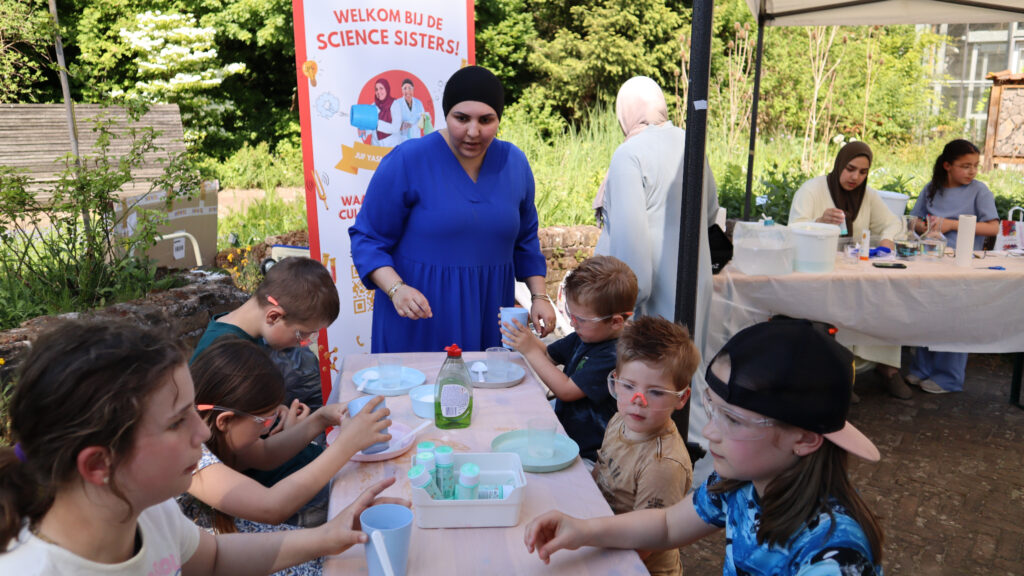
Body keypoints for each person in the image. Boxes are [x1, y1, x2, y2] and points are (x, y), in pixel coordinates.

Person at [0, 318, 407, 575]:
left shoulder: (148, 512)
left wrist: (330, 536)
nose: (203, 434)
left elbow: (212, 559)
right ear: (97, 465)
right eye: (178, 422)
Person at [524, 318, 885, 575]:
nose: (709, 431)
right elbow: (666, 525)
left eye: (734, 420)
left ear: (805, 438)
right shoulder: (741, 484)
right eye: (713, 409)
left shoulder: (833, 556)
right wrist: (583, 530)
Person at [350, 65, 555, 353]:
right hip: (420, 319)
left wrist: (539, 297)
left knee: (485, 394)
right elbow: (368, 238)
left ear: (499, 118)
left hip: (489, 314)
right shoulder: (408, 160)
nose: (473, 131)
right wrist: (396, 289)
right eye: (461, 118)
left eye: (486, 119)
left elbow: (526, 241)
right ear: (446, 115)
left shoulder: (515, 163)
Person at [592, 75, 720, 484]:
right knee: (688, 376)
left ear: (623, 114)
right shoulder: (692, 143)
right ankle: (697, 467)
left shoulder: (630, 155)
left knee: (652, 384)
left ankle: (658, 476)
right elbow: (713, 207)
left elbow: (629, 266)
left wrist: (619, 308)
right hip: (695, 281)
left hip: (650, 302)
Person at [179, 338, 389, 569]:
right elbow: (272, 507)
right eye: (264, 419)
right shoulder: (193, 458)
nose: (269, 428)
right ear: (225, 421)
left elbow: (268, 452)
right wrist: (346, 445)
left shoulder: (220, 433)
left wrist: (320, 419)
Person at [191, 256, 340, 521]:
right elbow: (246, 455)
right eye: (302, 334)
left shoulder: (241, 336)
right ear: (274, 315)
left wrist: (277, 411)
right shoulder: (228, 357)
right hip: (265, 487)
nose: (303, 343)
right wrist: (282, 427)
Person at [789, 141, 910, 400]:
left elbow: (893, 223)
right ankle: (841, 377)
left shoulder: (868, 195)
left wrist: (888, 239)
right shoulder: (812, 189)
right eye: (850, 169)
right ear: (839, 165)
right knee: (837, 309)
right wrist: (819, 222)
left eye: (863, 172)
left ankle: (887, 368)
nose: (856, 177)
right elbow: (793, 228)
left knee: (886, 299)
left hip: (856, 269)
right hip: (819, 270)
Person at [502, 255, 637, 461]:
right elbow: (547, 356)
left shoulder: (615, 355)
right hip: (568, 439)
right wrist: (524, 334)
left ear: (616, 321)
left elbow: (566, 390)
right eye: (570, 314)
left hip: (592, 454)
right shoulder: (587, 334)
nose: (573, 323)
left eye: (580, 319)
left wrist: (528, 349)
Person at [592, 316, 700, 576]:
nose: (638, 401)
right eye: (628, 386)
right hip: (604, 538)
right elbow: (601, 471)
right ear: (616, 381)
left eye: (655, 392)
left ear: (681, 398)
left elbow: (645, 543)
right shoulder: (620, 419)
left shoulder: (663, 466)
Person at [906, 139, 999, 394]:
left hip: (963, 263)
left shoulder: (980, 191)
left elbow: (993, 227)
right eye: (965, 166)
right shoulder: (931, 189)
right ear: (947, 165)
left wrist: (952, 224)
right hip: (932, 260)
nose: (972, 171)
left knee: (956, 318)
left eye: (975, 166)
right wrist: (924, 227)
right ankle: (921, 368)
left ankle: (948, 376)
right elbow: (914, 220)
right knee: (927, 313)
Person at [359, 77, 402, 147]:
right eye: (376, 89)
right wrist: (364, 131)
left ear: (387, 89)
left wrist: (376, 123)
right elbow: (370, 126)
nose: (378, 92)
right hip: (376, 145)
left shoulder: (395, 104)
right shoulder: (373, 105)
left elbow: (396, 128)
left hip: (392, 145)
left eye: (381, 88)